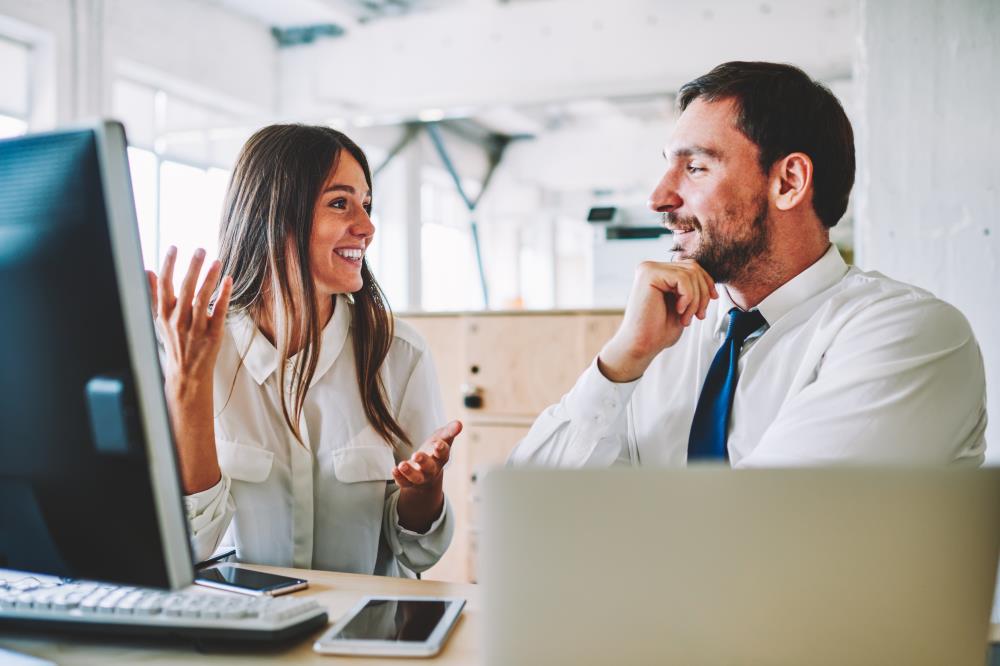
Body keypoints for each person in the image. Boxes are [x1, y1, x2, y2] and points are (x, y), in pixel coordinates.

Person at [509, 61, 987, 469]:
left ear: (789, 182)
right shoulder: (667, 337)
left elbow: (762, 536)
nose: (658, 198)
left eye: (695, 167)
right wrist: (621, 362)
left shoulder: (909, 335)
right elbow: (531, 508)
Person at [148, 124, 460, 576]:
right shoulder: (187, 349)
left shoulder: (399, 353)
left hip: (362, 636)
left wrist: (423, 491)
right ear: (276, 215)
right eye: (340, 203)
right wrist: (188, 387)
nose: (367, 227)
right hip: (240, 636)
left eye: (367, 205)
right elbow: (187, 547)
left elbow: (417, 553)